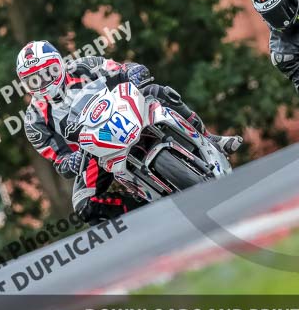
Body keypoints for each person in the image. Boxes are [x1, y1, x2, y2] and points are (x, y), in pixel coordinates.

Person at [16, 40, 242, 223]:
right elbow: (60, 160)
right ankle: (143, 214)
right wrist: (71, 162)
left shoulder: (85, 66)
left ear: (59, 63)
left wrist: (134, 71)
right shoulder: (34, 121)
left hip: (122, 113)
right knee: (83, 205)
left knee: (158, 91)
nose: (43, 82)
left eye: (49, 72)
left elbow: (120, 69)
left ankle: (211, 138)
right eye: (34, 79)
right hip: (93, 150)